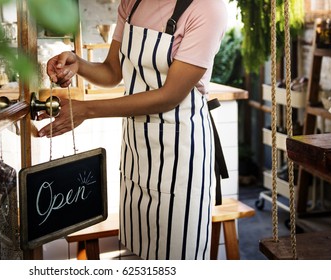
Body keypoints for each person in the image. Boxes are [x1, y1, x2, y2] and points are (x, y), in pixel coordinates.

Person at [37, 0, 228, 260]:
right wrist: (78, 64)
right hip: (138, 153)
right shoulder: (132, 2)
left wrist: (87, 110)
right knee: (141, 253)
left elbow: (170, 96)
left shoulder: (207, 8)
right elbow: (112, 71)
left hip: (181, 157)